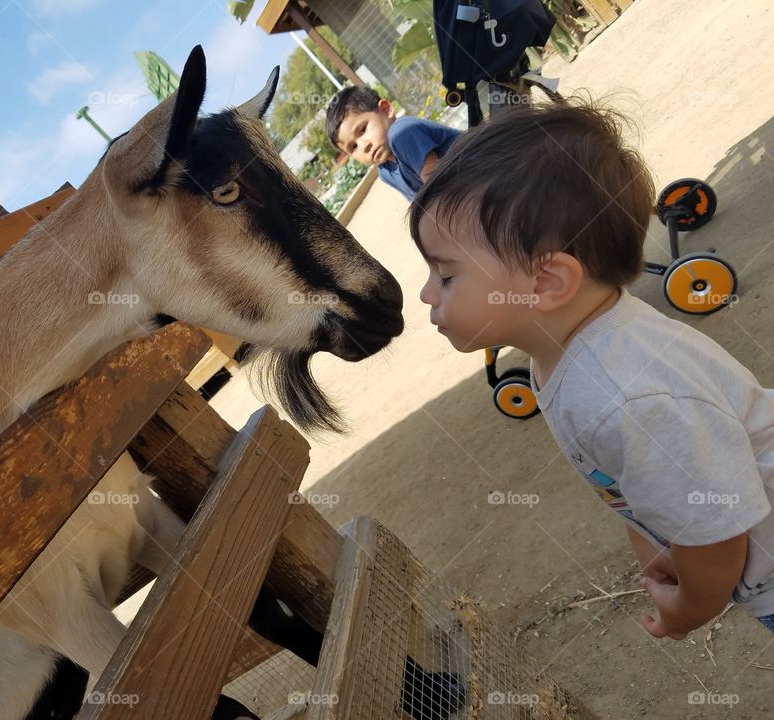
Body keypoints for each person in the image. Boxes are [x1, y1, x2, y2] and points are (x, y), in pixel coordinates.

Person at [410, 100, 774, 639]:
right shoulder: (567, 349)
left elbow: (715, 530)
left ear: (548, 282)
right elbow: (636, 482)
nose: (425, 294)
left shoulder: (622, 395)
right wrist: (650, 540)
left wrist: (692, 608)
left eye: (445, 275)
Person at [326, 86, 460, 202]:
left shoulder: (401, 133)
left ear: (386, 109)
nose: (364, 146)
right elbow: (421, 204)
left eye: (363, 130)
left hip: (476, 168)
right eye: (353, 147)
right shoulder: (385, 172)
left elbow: (441, 187)